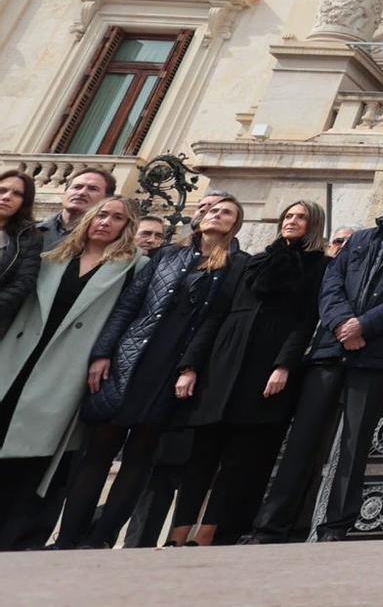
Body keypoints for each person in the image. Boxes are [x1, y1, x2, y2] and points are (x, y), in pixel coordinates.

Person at [251, 176, 383, 542]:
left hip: (377, 357)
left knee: (355, 444)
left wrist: (365, 325)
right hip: (330, 352)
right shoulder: (359, 238)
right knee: (303, 440)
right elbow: (331, 284)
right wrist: (343, 322)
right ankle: (273, 525)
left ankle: (335, 526)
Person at [56, 195, 244, 548]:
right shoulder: (168, 255)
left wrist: (191, 368)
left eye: (226, 212)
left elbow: (216, 323)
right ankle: (68, 537)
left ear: (235, 224)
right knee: (99, 449)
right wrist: (102, 353)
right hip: (133, 356)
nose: (215, 214)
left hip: (173, 367)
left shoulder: (235, 266)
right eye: (211, 209)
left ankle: (101, 537)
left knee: (141, 456)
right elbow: (130, 305)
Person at [168, 200, 327, 546]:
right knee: (202, 453)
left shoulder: (319, 266)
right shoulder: (252, 262)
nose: (292, 221)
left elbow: (306, 321)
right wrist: (191, 365)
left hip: (267, 364)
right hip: (225, 359)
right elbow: (216, 315)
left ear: (313, 224)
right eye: (288, 215)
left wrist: (284, 365)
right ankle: (179, 532)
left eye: (301, 217)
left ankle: (210, 531)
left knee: (240, 458)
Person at [0, 197, 140, 549]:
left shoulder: (133, 266)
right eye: (101, 214)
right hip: (18, 358)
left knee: (35, 458)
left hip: (68, 370)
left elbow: (128, 319)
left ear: (127, 227)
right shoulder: (52, 258)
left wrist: (105, 354)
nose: (106, 222)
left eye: (117, 218)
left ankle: (15, 539)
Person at [0, 169, 42, 335]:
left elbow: (23, 283)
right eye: (2, 190)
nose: (7, 197)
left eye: (17, 194)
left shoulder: (29, 237)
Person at [36, 168, 114, 243]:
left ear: (107, 199)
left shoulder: (105, 242)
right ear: (65, 192)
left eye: (92, 189)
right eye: (77, 187)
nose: (81, 193)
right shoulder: (32, 232)